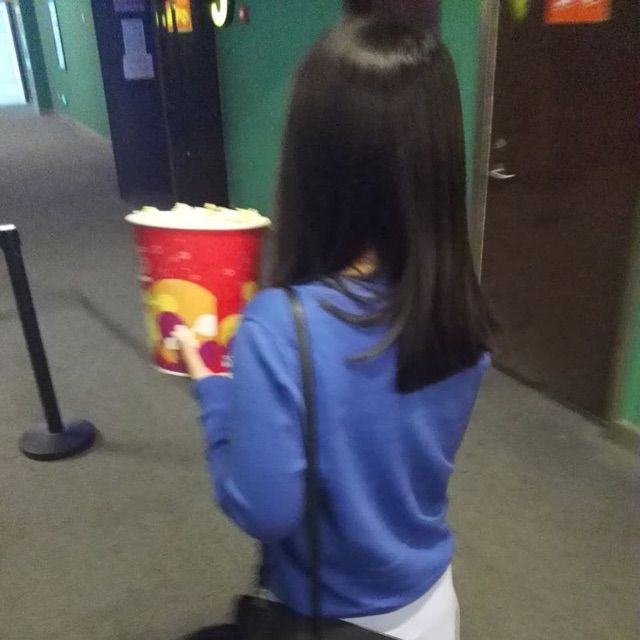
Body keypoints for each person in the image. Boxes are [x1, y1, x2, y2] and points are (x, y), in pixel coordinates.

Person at [173, 15, 491, 640]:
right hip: (432, 606)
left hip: (330, 621)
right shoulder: (458, 308)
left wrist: (212, 388)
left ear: (311, 161)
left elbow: (262, 508)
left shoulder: (280, 326)